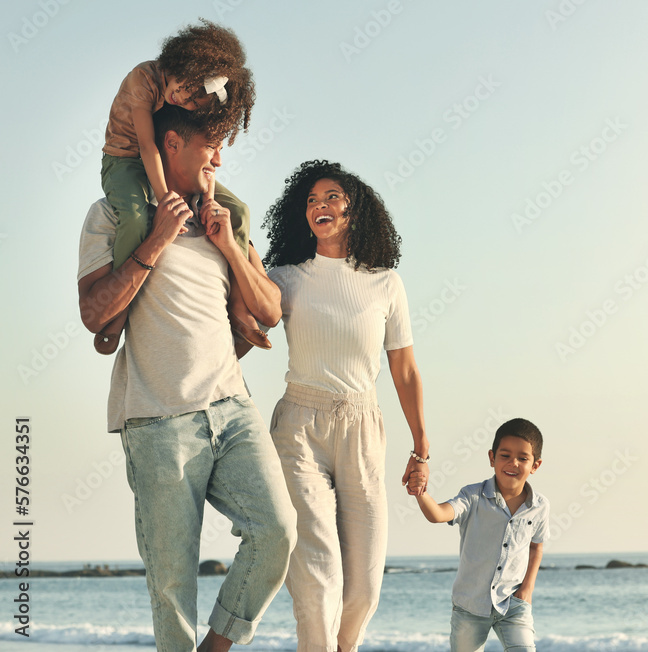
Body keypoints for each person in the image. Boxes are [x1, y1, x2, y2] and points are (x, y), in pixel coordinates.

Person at [76, 104, 296, 652]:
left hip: (232, 407)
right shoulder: (113, 216)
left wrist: (229, 247)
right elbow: (94, 314)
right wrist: (157, 238)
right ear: (171, 143)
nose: (220, 158)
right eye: (210, 144)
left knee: (277, 533)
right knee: (173, 587)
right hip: (156, 422)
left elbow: (271, 308)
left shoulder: (225, 218)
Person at [261, 159, 430, 652]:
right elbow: (245, 329)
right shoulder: (285, 278)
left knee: (363, 589)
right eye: (311, 200)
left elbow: (405, 370)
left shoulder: (385, 282)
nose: (320, 206)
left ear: (355, 210)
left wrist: (421, 448)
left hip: (363, 427)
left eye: (331, 197)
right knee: (317, 578)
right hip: (299, 426)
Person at [96, 18, 270, 355]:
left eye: (192, 103)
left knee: (239, 211)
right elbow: (147, 147)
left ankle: (237, 306)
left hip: (162, 158)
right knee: (135, 218)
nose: (183, 99)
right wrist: (166, 200)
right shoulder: (143, 80)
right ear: (184, 63)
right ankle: (117, 314)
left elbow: (201, 156)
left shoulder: (187, 102)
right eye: (186, 88)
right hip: (125, 160)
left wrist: (208, 197)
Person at [410, 418, 549, 652]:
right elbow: (438, 514)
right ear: (492, 458)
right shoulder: (472, 496)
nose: (513, 463)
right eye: (505, 455)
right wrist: (420, 493)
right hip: (470, 606)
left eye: (523, 458)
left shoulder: (540, 506)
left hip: (513, 605)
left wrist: (527, 590)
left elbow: (536, 546)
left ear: (535, 465)